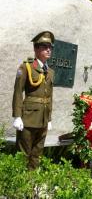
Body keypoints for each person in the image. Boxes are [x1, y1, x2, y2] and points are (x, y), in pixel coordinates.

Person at [12, 31, 55, 170]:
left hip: (42, 119)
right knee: (23, 153)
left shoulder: (50, 71)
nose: (48, 49)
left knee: (37, 154)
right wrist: (17, 116)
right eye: (44, 46)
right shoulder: (26, 67)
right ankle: (20, 185)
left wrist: (49, 119)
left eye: (50, 47)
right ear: (36, 49)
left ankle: (31, 184)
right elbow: (18, 92)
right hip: (28, 118)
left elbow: (49, 97)